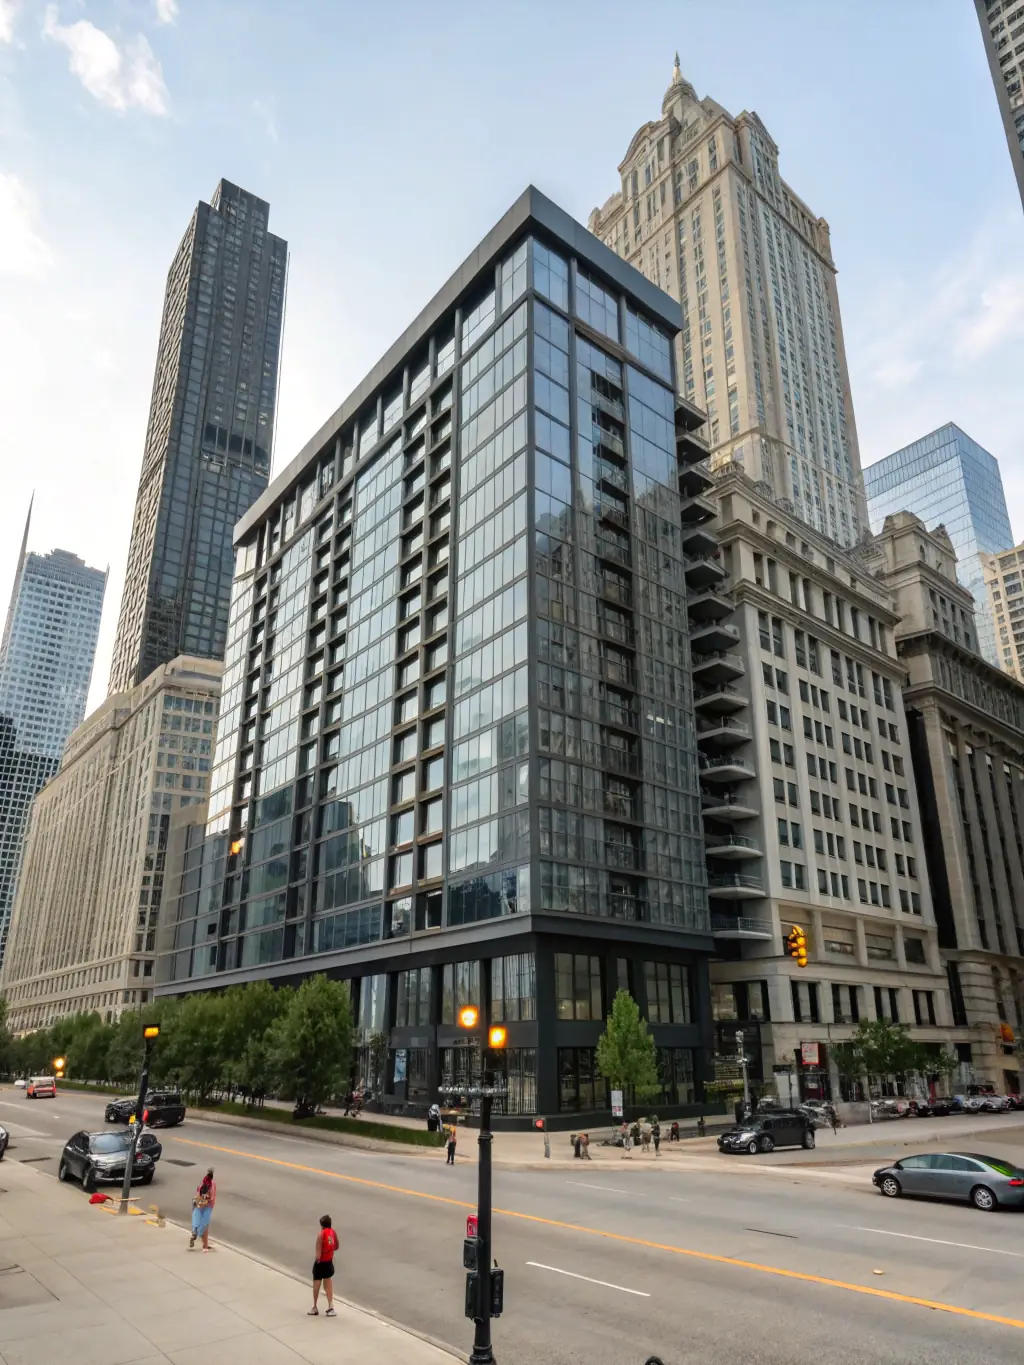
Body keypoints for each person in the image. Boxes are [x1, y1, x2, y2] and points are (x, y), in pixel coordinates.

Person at [309, 1215, 339, 1316]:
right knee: (328, 1284)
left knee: (317, 1284)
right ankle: (331, 1307)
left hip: (320, 1263)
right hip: (329, 1262)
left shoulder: (321, 1234)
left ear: (322, 1225)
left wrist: (316, 1260)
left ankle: (315, 1307)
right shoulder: (333, 1232)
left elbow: (318, 1253)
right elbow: (337, 1246)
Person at [189, 1168, 216, 1251]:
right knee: (205, 1225)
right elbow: (212, 1197)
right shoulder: (213, 1184)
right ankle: (205, 1244)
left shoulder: (202, 1183)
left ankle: (194, 1233)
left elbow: (198, 1193)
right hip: (207, 1205)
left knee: (196, 1221)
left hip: (198, 1203)